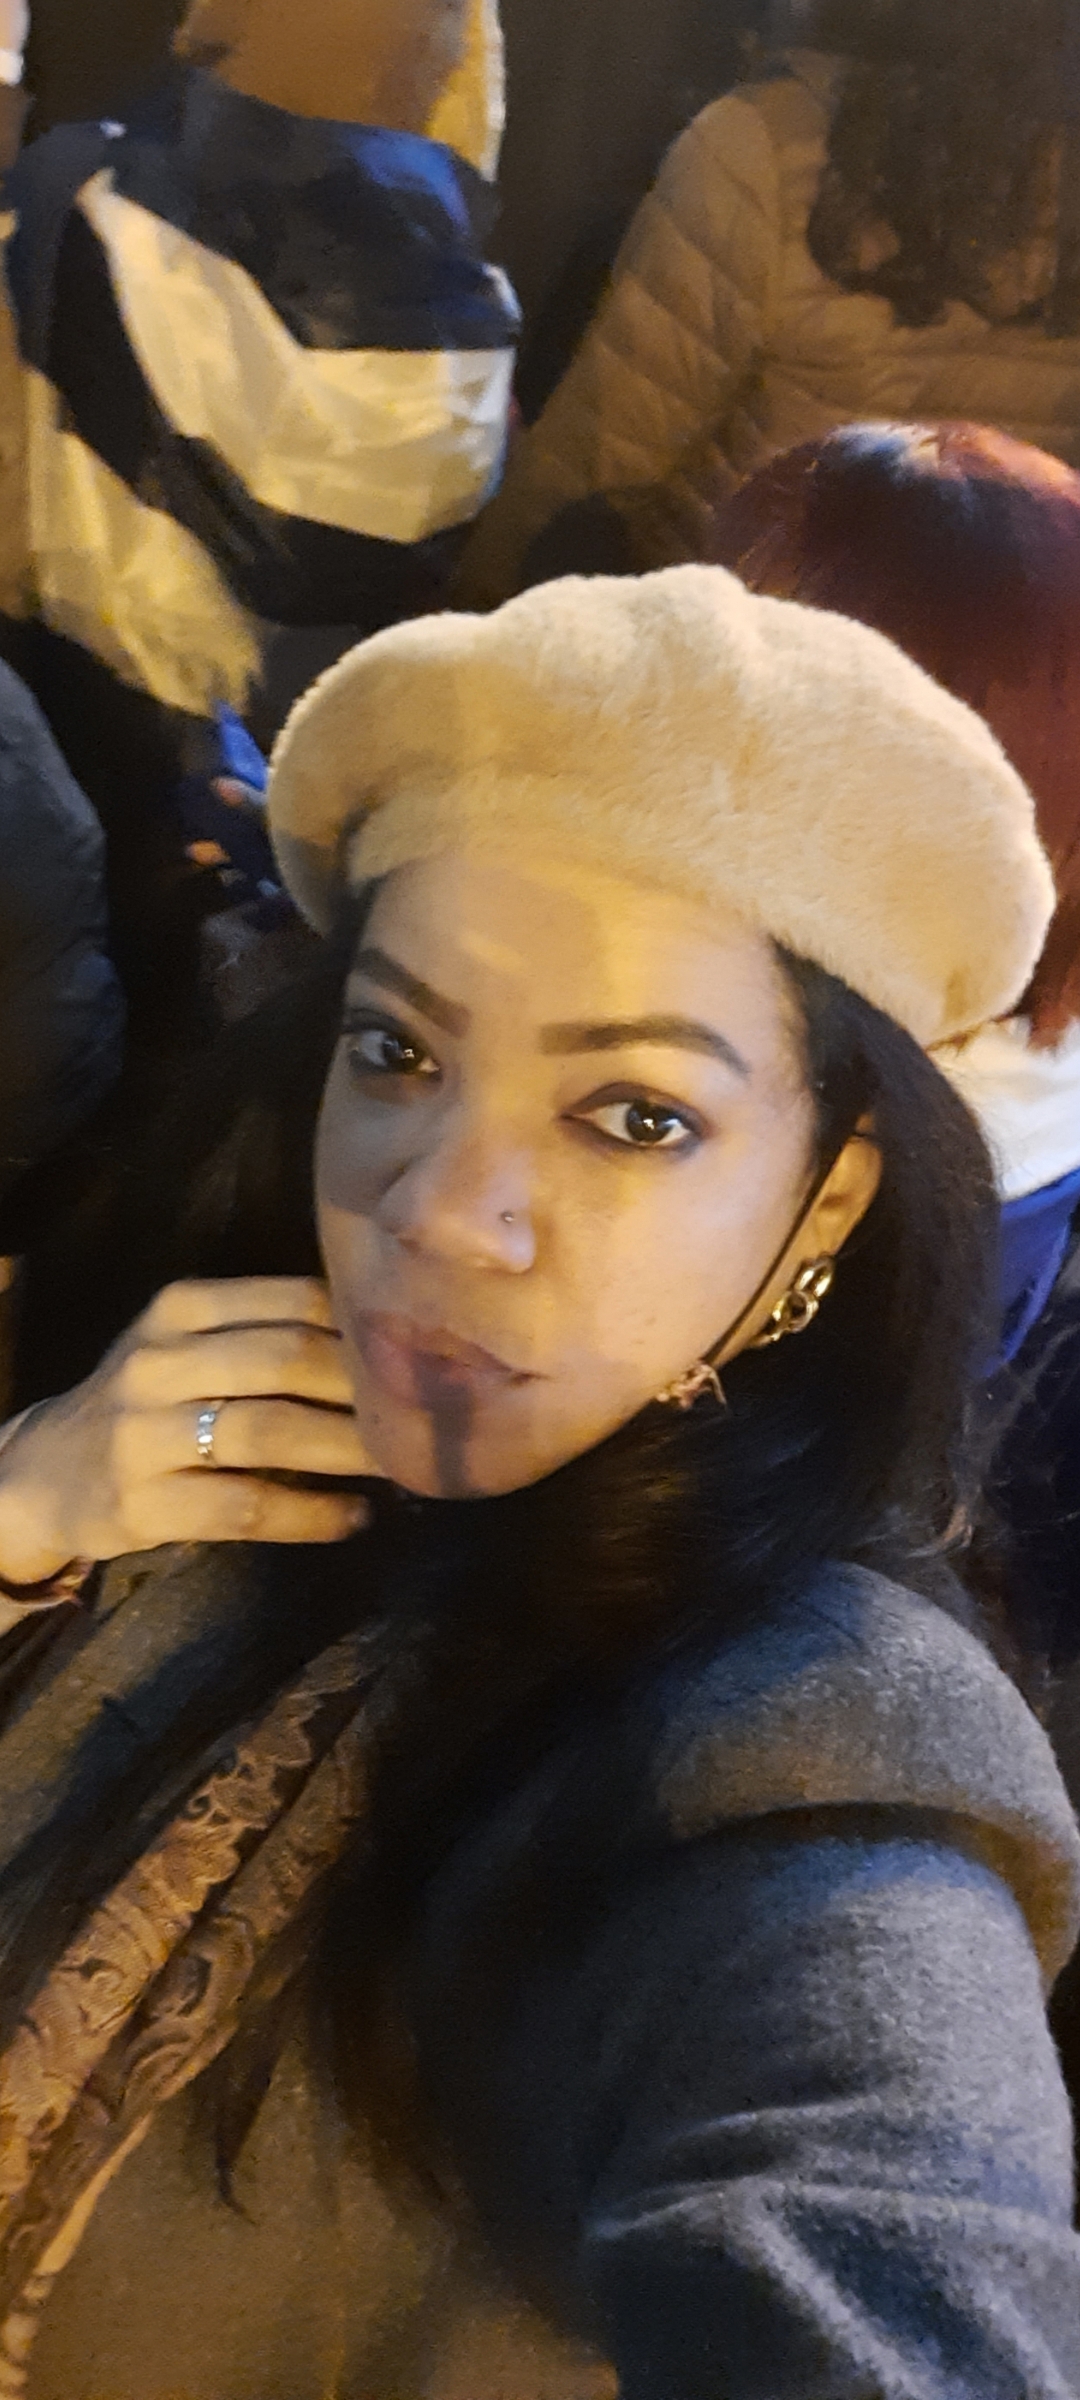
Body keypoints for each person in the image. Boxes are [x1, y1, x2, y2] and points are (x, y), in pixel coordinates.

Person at [0, 566, 1077, 2397]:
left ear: (828, 1198)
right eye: (399, 1052)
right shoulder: (184, 1399)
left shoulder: (823, 1742)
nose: (435, 1212)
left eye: (635, 1115)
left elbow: (881, 2223)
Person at [0, 0, 516, 1023]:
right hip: (319, 693)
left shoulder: (83, 194)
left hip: (101, 668)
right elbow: (461, 112)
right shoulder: (462, 332)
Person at [455, 0, 1080, 607]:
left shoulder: (768, 149)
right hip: (972, 660)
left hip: (734, 633)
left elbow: (606, 452)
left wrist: (477, 606)